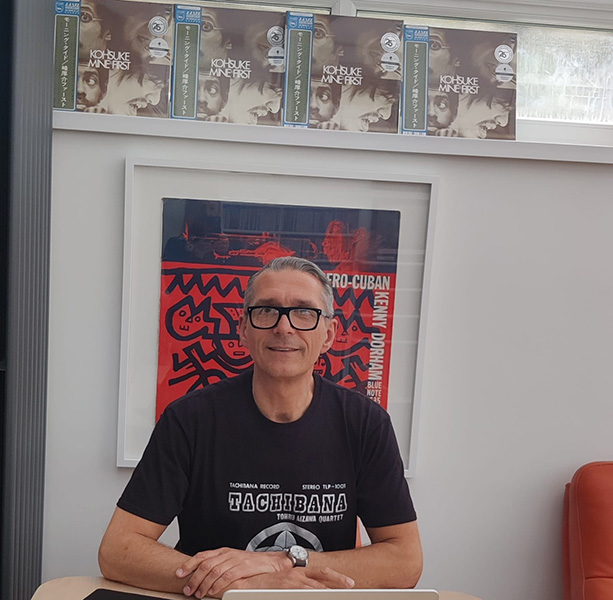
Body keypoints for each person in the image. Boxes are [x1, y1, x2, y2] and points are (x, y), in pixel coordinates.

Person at [99, 256, 423, 598]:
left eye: (304, 312)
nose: (284, 327)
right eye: (266, 311)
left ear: (329, 334)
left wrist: (280, 563)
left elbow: (405, 561)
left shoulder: (366, 424)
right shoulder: (189, 420)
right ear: (243, 328)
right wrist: (240, 584)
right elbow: (118, 550)